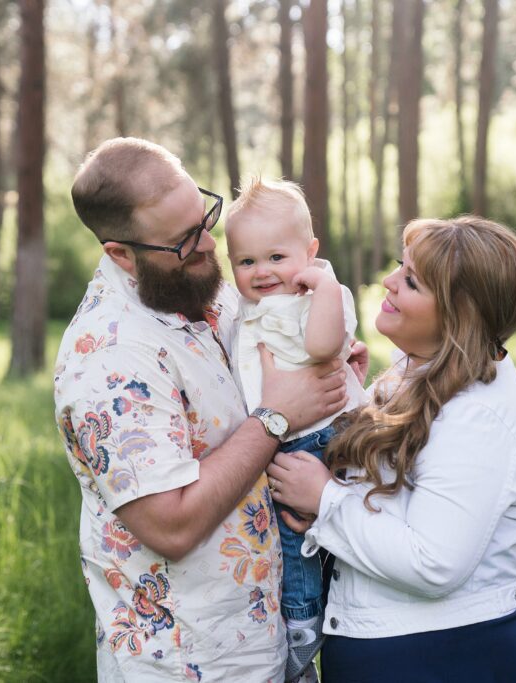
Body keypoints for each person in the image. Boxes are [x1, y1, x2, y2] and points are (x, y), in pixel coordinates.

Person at [54, 137, 358, 682]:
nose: (206, 245)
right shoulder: (108, 357)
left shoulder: (202, 285)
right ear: (120, 253)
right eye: (181, 240)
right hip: (188, 659)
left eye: (204, 219)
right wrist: (275, 417)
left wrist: (327, 383)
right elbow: (168, 525)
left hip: (269, 635)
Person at [267, 216, 516, 682]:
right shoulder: (419, 374)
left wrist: (324, 501)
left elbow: (434, 562)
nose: (389, 281)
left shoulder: (477, 416)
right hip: (396, 649)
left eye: (412, 281)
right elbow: (396, 491)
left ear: (459, 314)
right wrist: (354, 402)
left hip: (446, 657)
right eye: (401, 266)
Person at [224, 177, 368, 681]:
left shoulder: (321, 294)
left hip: (321, 436)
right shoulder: (249, 308)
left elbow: (327, 346)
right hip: (290, 434)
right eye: (246, 262)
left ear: (309, 252)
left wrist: (325, 287)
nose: (262, 272)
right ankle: (309, 618)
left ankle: (305, 626)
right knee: (298, 538)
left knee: (300, 534)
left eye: (276, 258)